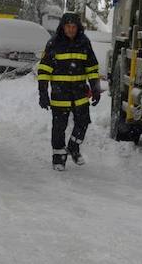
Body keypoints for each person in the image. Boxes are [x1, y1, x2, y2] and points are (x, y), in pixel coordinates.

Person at [37, 11, 101, 171]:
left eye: (74, 27)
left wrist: (96, 89)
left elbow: (92, 68)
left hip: (80, 94)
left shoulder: (84, 43)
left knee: (83, 122)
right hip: (60, 95)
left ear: (78, 27)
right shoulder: (54, 44)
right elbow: (44, 70)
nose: (71, 30)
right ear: (63, 27)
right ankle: (58, 158)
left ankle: (73, 146)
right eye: (68, 27)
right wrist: (43, 93)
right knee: (59, 127)